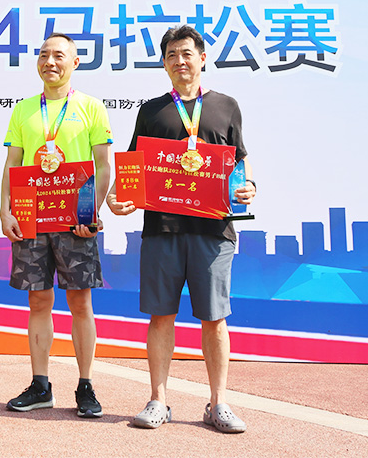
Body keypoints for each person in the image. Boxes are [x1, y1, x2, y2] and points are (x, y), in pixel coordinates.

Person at [107, 25, 256, 433]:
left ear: (202, 58)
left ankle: (218, 403)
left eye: (187, 53)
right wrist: (117, 198)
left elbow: (239, 162)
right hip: (162, 230)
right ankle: (158, 400)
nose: (180, 61)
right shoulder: (152, 111)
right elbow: (134, 167)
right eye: (171, 55)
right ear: (164, 63)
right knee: (161, 316)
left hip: (214, 232)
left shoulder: (226, 106)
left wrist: (249, 187)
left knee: (215, 319)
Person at [0, 33, 112, 417]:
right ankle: (40, 385)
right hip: (31, 219)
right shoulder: (24, 110)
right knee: (38, 300)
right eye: (44, 54)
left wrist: (90, 213)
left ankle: (85, 386)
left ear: (75, 62)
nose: (50, 61)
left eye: (59, 55)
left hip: (74, 222)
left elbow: (103, 166)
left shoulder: (91, 107)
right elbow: (13, 165)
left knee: (80, 302)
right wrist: (5, 211)